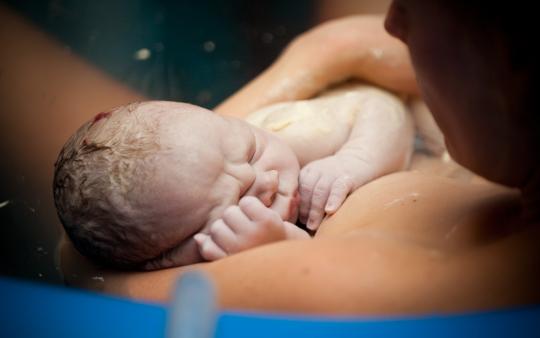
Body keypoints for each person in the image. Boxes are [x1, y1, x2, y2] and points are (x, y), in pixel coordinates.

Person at [61, 3, 540, 316]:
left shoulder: (381, 278)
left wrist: (323, 59)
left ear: (516, 69)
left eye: (416, 4)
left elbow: (87, 270)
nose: (391, 23)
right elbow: (351, 41)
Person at [54, 83, 413, 270]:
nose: (267, 179)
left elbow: (380, 107)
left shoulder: (291, 134)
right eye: (239, 202)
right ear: (171, 260)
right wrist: (278, 247)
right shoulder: (210, 264)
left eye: (252, 151)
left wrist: (355, 160)